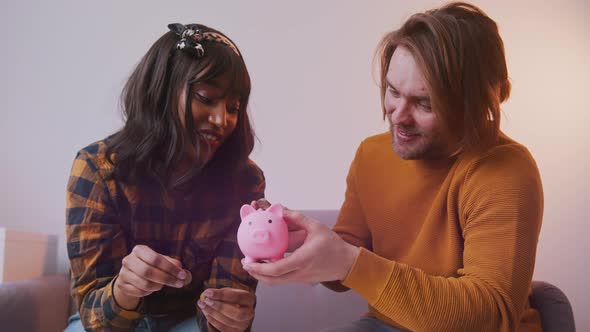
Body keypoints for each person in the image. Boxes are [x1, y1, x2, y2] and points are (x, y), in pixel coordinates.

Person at [244, 3, 543, 332]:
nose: (398, 115)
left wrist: (349, 261)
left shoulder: (505, 171)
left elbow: (490, 315)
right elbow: (348, 257)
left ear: (474, 104)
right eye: (393, 91)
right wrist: (303, 244)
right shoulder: (372, 154)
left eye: (424, 102)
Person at [65, 23, 265, 332]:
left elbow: (226, 304)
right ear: (161, 93)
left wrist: (230, 319)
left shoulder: (244, 180)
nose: (221, 119)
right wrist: (124, 290)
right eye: (206, 98)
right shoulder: (98, 169)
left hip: (190, 322)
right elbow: (95, 318)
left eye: (233, 107)